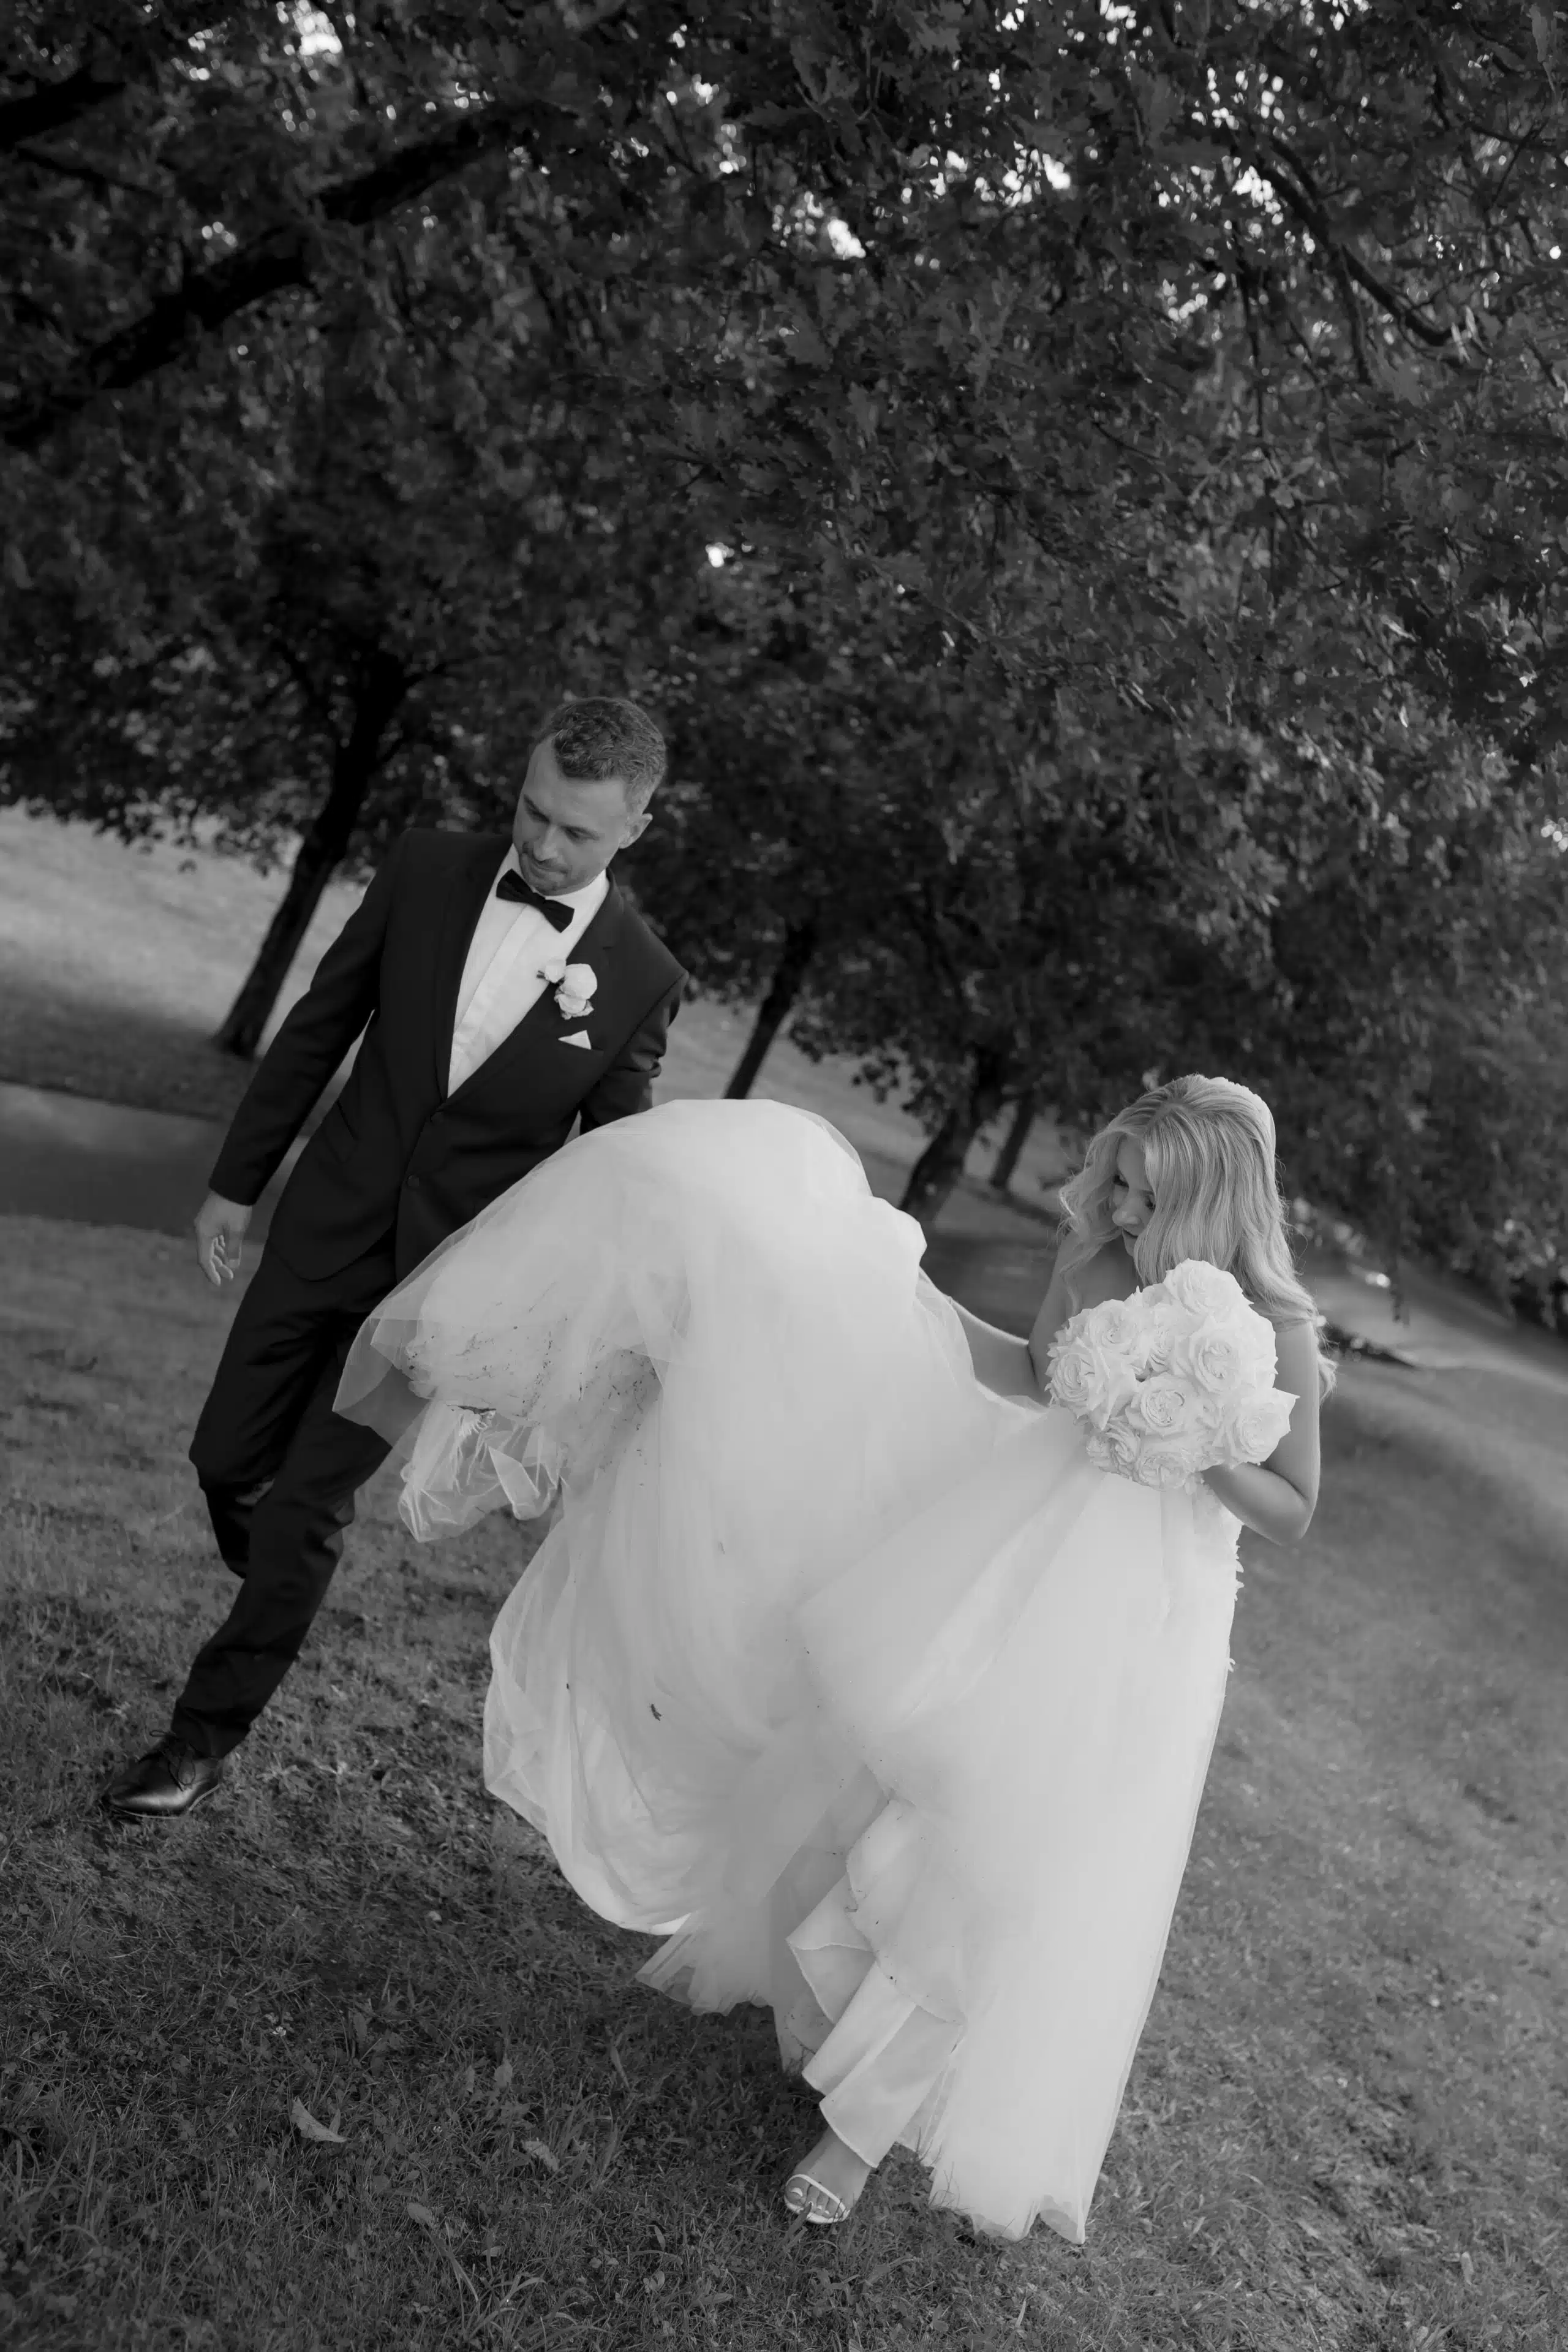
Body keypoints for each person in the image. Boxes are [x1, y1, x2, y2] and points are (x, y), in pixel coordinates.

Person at [334, 1073, 1330, 2240]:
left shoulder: (1275, 1330)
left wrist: (1190, 1434)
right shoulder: (1100, 1259)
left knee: (995, 1857)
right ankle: (826, 2003)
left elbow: (1294, 1505)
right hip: (1009, 1552)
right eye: (1117, 1176)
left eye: (1145, 1195)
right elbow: (1031, 1371)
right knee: (873, 1778)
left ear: (1211, 1203)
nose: (1116, 1205)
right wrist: (895, 1295)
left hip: (1132, 1611)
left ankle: (856, 2136)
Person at [103, 697, 685, 1821]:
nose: (541, 843)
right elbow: (319, 1026)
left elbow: (608, 1169)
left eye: (575, 831)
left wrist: (586, 1314)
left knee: (308, 1503)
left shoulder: (641, 978)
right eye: (531, 810)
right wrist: (235, 1183)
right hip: (323, 1224)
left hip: (441, 1296)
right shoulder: (425, 868)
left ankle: (199, 1741)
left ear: (636, 828)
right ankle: (279, 1577)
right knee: (224, 1458)